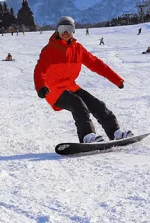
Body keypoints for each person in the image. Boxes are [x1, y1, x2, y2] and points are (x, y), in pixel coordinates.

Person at [33, 16, 133, 144]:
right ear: (57, 30)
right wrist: (41, 86)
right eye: (62, 28)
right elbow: (39, 69)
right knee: (77, 103)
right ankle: (87, 136)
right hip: (52, 90)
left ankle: (115, 132)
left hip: (71, 86)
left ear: (73, 31)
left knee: (97, 104)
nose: (65, 33)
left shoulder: (77, 49)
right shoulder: (49, 50)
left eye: (69, 29)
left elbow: (96, 64)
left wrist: (117, 79)